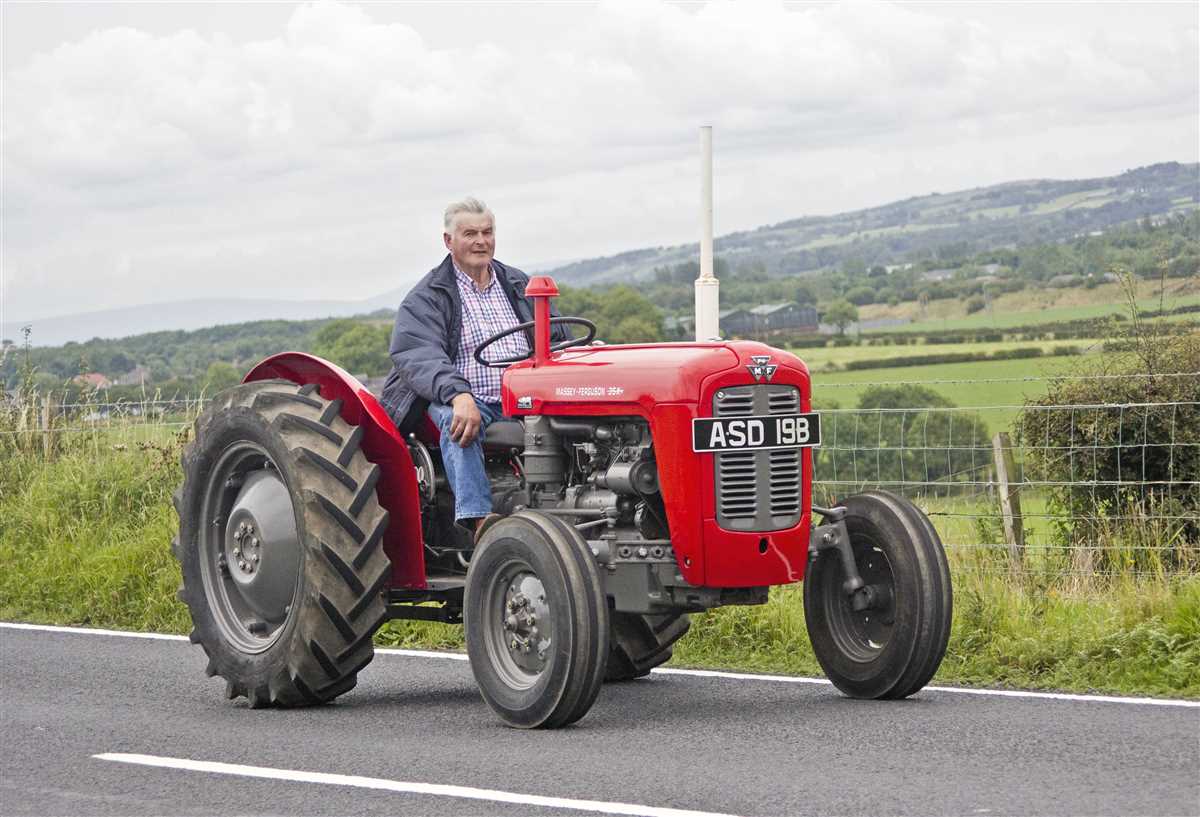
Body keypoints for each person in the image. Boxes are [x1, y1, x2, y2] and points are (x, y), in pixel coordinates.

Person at [380, 197, 566, 540]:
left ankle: (572, 507)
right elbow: (418, 354)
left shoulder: (517, 284)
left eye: (487, 232)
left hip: (521, 400)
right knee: (459, 422)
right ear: (449, 241)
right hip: (464, 397)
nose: (481, 241)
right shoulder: (427, 297)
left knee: (578, 423)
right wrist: (458, 394)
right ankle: (480, 521)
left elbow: (555, 337)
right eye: (470, 233)